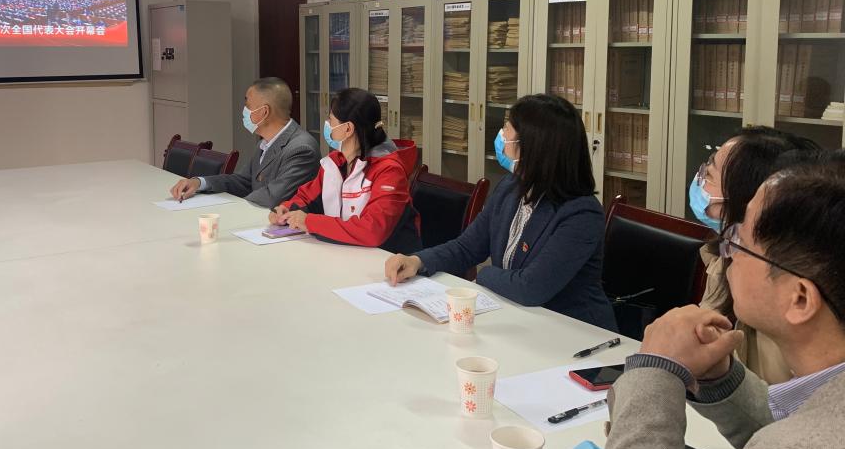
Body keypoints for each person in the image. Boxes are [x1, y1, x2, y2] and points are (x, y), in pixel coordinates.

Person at [603, 160, 845, 449]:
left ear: (800, 298)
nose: (727, 251)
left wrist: (652, 376)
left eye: (739, 241)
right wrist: (723, 381)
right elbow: (807, 436)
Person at [384, 93, 617, 331]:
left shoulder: (581, 214)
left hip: (574, 333)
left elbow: (530, 288)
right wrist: (417, 261)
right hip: (517, 319)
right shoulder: (511, 187)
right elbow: (467, 247)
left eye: (507, 129)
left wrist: (484, 275)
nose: (502, 135)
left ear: (532, 147)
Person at [692, 126, 818, 384]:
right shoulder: (724, 259)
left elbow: (779, 401)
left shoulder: (782, 293)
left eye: (710, 174)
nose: (700, 179)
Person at [269, 87, 420, 251]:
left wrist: (309, 222)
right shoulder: (336, 162)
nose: (327, 125)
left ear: (348, 129)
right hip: (346, 253)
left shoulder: (389, 171)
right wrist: (286, 209)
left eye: (330, 120)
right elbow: (307, 197)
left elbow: (373, 230)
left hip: (389, 259)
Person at [169, 77, 319, 209]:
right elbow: (243, 181)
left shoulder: (301, 149)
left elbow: (272, 198)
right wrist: (199, 183)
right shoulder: (265, 142)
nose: (244, 111)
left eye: (248, 105)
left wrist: (225, 208)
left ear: (264, 112)